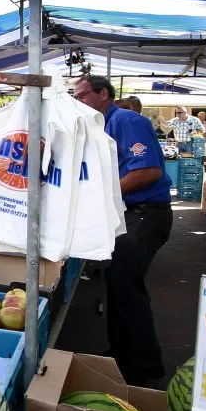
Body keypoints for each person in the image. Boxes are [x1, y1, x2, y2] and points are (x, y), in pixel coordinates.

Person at [75, 75, 171, 386]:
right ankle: (120, 356)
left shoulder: (127, 120)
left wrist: (105, 195)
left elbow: (147, 171)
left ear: (104, 94)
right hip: (127, 215)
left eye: (83, 95)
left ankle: (145, 368)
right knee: (117, 285)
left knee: (127, 289)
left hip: (145, 216)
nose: (78, 101)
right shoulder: (98, 126)